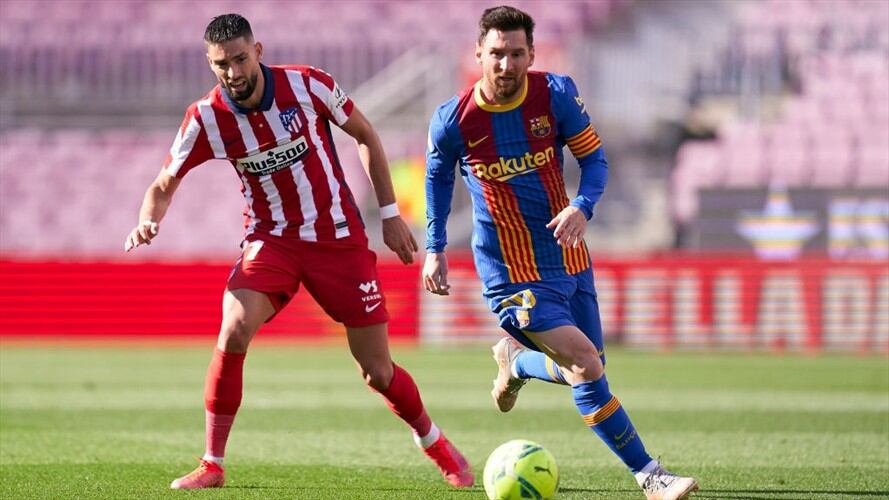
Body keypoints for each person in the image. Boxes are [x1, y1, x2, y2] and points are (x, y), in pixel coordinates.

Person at [124, 13, 473, 490]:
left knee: (376, 371)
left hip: (337, 239)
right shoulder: (206, 117)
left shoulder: (308, 85)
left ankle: (433, 441)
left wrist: (390, 214)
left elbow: (366, 136)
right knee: (233, 329)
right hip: (272, 240)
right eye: (221, 64)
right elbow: (164, 182)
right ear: (210, 64)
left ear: (259, 51)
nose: (233, 73)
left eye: (240, 59)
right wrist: (150, 218)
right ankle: (212, 463)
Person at [422, 5, 698, 500]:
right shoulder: (454, 121)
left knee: (590, 368)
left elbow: (594, 158)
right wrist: (435, 247)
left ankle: (515, 361)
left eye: (516, 54)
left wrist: (583, 207)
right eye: (496, 55)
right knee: (586, 365)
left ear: (531, 54)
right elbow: (438, 180)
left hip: (568, 255)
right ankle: (650, 476)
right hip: (509, 271)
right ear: (478, 54)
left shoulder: (556, 96)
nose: (506, 66)